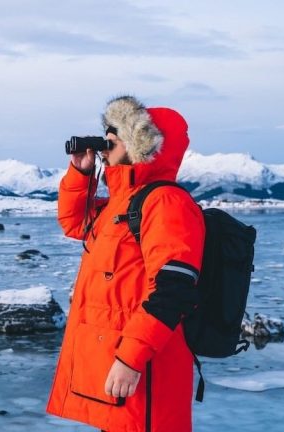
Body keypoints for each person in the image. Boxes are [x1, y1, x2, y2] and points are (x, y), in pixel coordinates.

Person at [46, 96, 205, 432]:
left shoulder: (166, 202)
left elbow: (174, 290)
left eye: (112, 140)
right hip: (117, 365)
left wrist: (129, 359)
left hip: (142, 367)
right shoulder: (122, 203)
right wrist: (80, 172)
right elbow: (75, 224)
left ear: (139, 144)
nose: (104, 148)